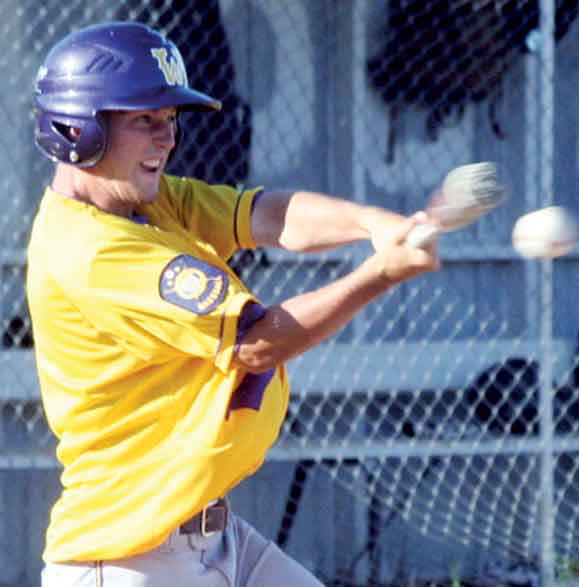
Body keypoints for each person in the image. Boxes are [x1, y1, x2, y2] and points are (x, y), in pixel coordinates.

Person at [28, 21, 439, 587]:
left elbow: (264, 215)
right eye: (144, 120)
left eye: (169, 120)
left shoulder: (146, 203)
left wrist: (373, 223)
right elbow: (258, 343)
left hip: (215, 541)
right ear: (78, 129)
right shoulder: (95, 251)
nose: (166, 138)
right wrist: (381, 273)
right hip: (130, 558)